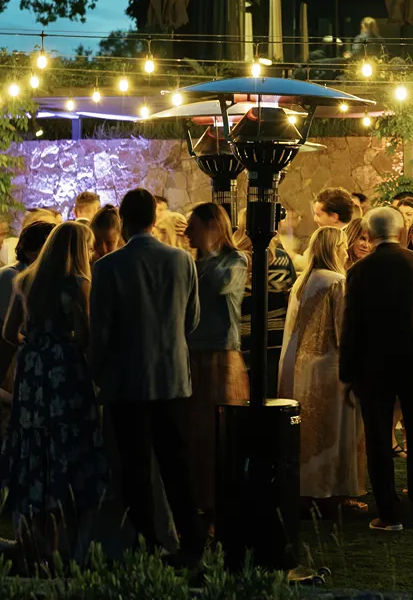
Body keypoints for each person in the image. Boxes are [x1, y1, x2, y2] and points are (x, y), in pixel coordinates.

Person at [89, 188, 204, 564]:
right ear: (155, 219)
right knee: (178, 464)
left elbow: (100, 330)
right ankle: (191, 542)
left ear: (122, 219)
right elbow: (192, 319)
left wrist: (97, 374)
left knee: (135, 467)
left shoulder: (108, 267)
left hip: (126, 381)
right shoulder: (182, 261)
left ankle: (148, 544)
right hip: (172, 377)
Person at [0, 222, 108, 563]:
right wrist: (61, 347)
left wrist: (35, 346)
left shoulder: (26, 281)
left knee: (34, 443)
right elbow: (85, 335)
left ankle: (34, 540)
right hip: (64, 374)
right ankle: (70, 542)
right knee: (70, 442)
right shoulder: (78, 284)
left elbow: (8, 333)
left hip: (32, 373)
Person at [339, 205, 413, 531]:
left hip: (373, 368)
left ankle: (388, 513)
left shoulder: (360, 270)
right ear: (401, 233)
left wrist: (347, 374)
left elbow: (351, 326)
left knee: (378, 440)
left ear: (370, 235)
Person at [278, 226, 363, 500]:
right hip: (330, 365)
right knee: (335, 430)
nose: (346, 250)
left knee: (308, 433)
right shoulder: (337, 281)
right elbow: (343, 330)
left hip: (301, 364)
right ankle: (334, 490)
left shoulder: (303, 281)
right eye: (341, 246)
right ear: (333, 249)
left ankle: (307, 488)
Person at [184, 202, 249, 519]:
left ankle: (221, 500)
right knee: (196, 432)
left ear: (212, 227)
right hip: (193, 353)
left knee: (219, 430)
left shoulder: (235, 260)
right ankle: (198, 498)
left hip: (222, 356)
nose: (186, 234)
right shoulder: (192, 263)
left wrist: (209, 251)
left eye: (193, 227)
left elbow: (225, 286)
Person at [0, 219, 55, 370]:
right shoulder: (11, 276)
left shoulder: (39, 278)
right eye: (48, 250)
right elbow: (14, 328)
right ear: (30, 252)